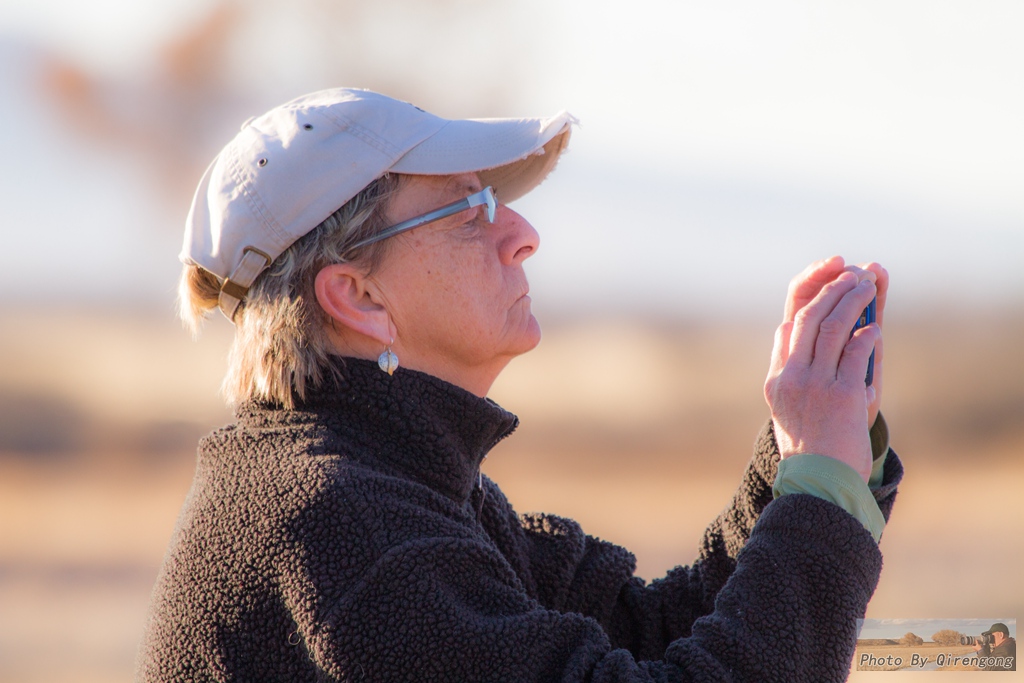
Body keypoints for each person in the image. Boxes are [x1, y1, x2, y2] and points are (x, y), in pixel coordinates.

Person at [137, 88, 902, 682]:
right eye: (470, 212)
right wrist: (819, 491)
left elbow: (656, 633)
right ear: (357, 297)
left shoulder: (399, 486)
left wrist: (807, 450)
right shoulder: (345, 528)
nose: (522, 233)